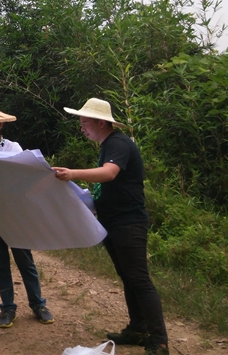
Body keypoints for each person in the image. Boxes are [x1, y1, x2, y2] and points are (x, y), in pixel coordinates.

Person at [52, 98, 168, 355]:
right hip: (113, 222)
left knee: (139, 279)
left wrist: (72, 173)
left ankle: (159, 341)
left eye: (85, 122)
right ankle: (138, 329)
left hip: (128, 223)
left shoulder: (118, 143)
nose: (82, 128)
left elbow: (108, 173)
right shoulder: (108, 145)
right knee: (128, 277)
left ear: (101, 123)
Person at [0, 100, 54, 328]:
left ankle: (38, 304)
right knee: (0, 262)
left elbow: (23, 176)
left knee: (24, 259)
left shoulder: (14, 149)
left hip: (14, 213)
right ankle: (7, 307)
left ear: (1, 126)